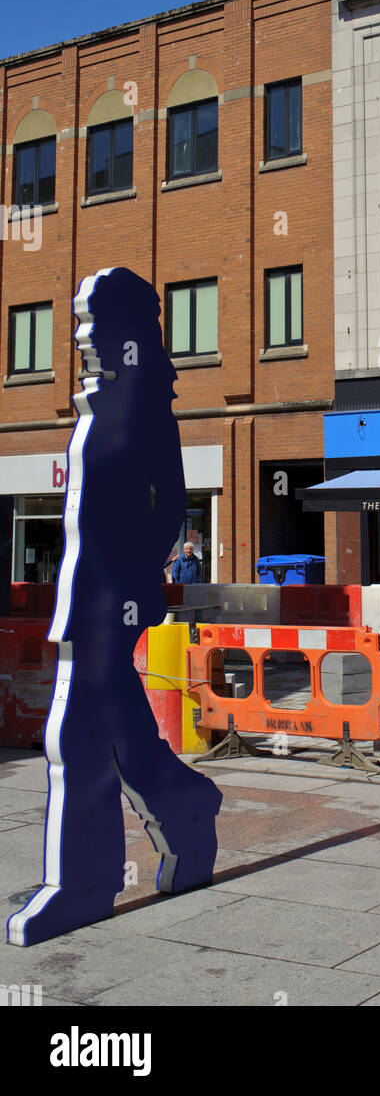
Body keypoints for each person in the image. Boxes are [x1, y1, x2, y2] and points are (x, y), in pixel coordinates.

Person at [8, 268, 221, 947]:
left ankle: (82, 885)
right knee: (115, 737)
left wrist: (132, 585)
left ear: (130, 332)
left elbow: (171, 507)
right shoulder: (99, 407)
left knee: (73, 739)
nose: (82, 337)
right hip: (86, 598)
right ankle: (185, 806)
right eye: (78, 324)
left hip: (111, 601)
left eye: (93, 323)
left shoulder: (147, 407)